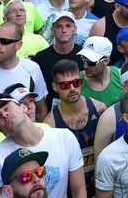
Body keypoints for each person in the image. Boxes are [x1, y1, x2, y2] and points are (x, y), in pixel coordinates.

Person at [0, 93, 86, 198]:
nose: (4, 115)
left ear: (23, 107)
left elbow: (79, 191)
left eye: (7, 108)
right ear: (1, 131)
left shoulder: (64, 138)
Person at [43, 59, 106, 195]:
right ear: (55, 87)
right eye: (65, 85)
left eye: (76, 83)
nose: (72, 89)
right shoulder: (51, 125)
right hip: (72, 189)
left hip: (101, 183)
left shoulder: (99, 109)